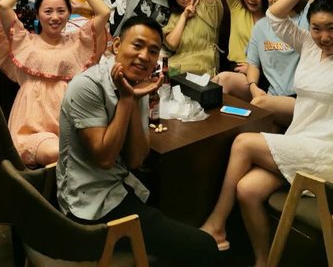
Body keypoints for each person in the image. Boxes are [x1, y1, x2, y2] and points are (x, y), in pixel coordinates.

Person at [201, 0, 333, 265]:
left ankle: (216, 223)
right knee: (247, 190)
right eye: (316, 28)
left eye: (331, 28)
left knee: (243, 143)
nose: (323, 36)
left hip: (330, 150)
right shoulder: (308, 45)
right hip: (300, 141)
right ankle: (264, 261)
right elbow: (274, 16)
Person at [57, 16, 220, 265]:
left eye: (153, 51)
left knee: (179, 192)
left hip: (122, 182)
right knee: (204, 246)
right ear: (116, 45)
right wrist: (127, 99)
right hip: (90, 202)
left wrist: (134, 99)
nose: (144, 56)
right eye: (137, 45)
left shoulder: (137, 82)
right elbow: (104, 159)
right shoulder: (87, 86)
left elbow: (135, 159)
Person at [0, 0, 110, 166]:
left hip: (70, 121)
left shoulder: (77, 42)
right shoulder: (25, 42)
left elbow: (104, 12)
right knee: (57, 152)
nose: (55, 17)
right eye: (48, 12)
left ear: (69, 13)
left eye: (61, 11)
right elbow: (4, 5)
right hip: (32, 127)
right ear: (37, 14)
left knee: (95, 149)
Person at [216, 0, 325, 126]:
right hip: (270, 94)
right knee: (221, 81)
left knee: (260, 105)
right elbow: (253, 64)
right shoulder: (261, 26)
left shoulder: (305, 20)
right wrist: (253, 87)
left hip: (299, 99)